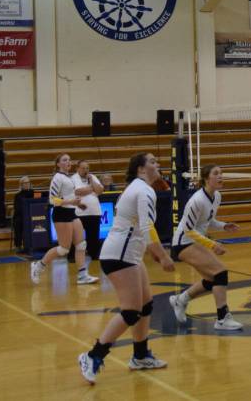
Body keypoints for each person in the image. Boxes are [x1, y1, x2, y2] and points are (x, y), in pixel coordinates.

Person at [79, 153, 174, 384]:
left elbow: (139, 228)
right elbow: (147, 227)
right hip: (120, 256)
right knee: (131, 311)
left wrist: (151, 251)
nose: (158, 164)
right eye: (152, 162)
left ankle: (140, 356)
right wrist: (163, 256)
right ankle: (92, 356)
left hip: (129, 254)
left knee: (146, 305)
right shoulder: (143, 190)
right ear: (141, 169)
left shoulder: (137, 188)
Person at [168, 164, 244, 331]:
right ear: (206, 179)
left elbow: (208, 221)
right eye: (216, 173)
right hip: (182, 243)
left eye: (221, 173)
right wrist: (212, 244)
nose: (220, 176)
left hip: (195, 241)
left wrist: (223, 226)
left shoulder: (216, 196)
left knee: (212, 279)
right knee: (220, 272)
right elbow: (188, 229)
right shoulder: (196, 200)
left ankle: (180, 300)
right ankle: (222, 319)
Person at [30, 154, 98, 285]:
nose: (68, 162)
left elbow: (68, 196)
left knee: (81, 244)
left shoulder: (68, 178)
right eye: (64, 160)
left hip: (71, 213)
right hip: (61, 214)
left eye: (69, 160)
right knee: (64, 249)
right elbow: (52, 200)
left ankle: (82, 275)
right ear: (58, 164)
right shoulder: (57, 177)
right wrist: (71, 201)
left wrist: (78, 204)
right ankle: (38, 266)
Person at [72, 161, 105, 271]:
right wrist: (92, 188)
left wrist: (91, 182)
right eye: (83, 168)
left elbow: (100, 190)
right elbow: (78, 191)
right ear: (77, 168)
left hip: (94, 212)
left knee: (94, 236)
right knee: (76, 236)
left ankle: (94, 254)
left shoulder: (93, 177)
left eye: (87, 168)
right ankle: (72, 256)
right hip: (79, 213)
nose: (86, 170)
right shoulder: (74, 178)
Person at [11, 177, 35, 250]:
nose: (27, 184)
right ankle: (18, 245)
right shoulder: (18, 195)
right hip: (21, 216)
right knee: (18, 222)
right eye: (25, 183)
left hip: (31, 215)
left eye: (28, 183)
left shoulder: (33, 193)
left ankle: (34, 244)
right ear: (21, 185)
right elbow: (17, 209)